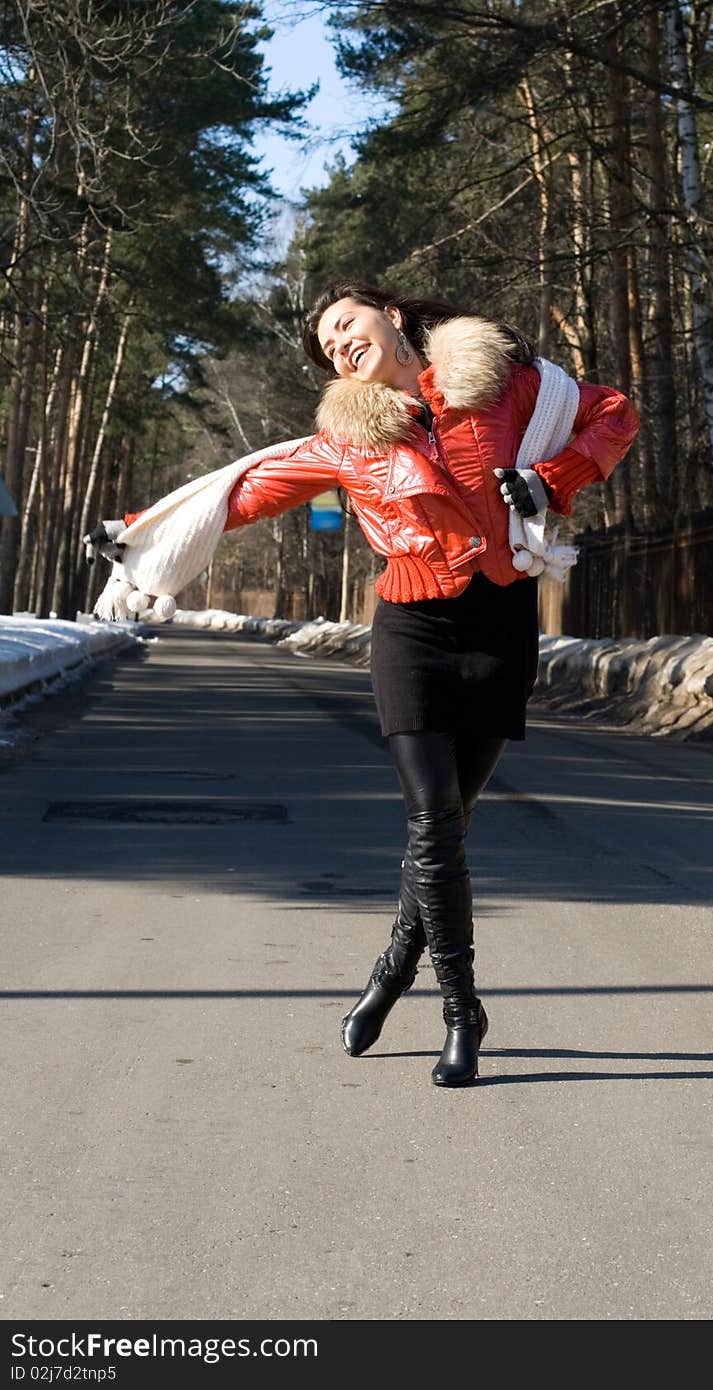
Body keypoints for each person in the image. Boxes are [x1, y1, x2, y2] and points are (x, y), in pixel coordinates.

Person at [85, 280, 639, 1087]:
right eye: (328, 345)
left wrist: (555, 478)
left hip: (500, 624)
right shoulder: (344, 438)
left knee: (451, 824)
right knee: (431, 818)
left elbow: (612, 410)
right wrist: (141, 532)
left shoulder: (503, 387)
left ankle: (391, 971)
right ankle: (462, 1012)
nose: (340, 343)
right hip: (410, 627)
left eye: (348, 324)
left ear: (394, 318)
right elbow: (241, 491)